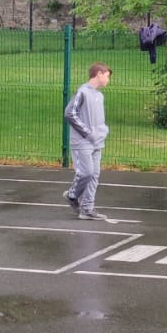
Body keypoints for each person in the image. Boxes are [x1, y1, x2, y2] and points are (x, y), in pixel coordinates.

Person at [63, 62, 112, 222]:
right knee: (86, 172)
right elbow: (70, 113)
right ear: (99, 74)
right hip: (82, 143)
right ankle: (72, 195)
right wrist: (87, 132)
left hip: (97, 143)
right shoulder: (82, 92)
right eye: (107, 76)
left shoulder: (99, 96)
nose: (108, 80)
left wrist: (103, 131)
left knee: (94, 176)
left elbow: (99, 120)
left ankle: (87, 209)